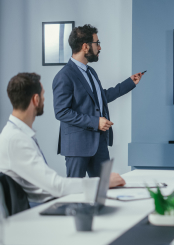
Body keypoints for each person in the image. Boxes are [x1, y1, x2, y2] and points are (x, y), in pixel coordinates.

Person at [0, 73, 126, 207]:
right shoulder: (16, 140)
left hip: (46, 203)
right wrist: (103, 183)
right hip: (41, 209)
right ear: (36, 100)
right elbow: (57, 186)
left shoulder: (17, 134)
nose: (44, 98)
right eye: (43, 95)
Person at [53, 24, 144, 178]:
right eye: (97, 43)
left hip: (99, 145)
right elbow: (62, 112)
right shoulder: (64, 76)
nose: (100, 48)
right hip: (77, 148)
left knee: (104, 191)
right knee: (76, 193)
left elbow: (101, 98)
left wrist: (129, 83)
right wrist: (95, 122)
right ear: (85, 47)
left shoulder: (91, 72)